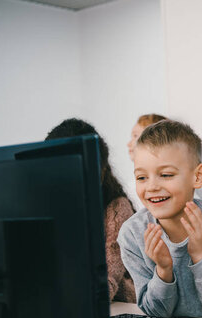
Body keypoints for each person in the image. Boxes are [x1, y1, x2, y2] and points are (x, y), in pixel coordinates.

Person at [117, 120, 202, 318]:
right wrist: (163, 270)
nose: (151, 187)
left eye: (166, 175)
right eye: (142, 178)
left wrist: (199, 254)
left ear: (198, 176)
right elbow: (155, 314)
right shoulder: (132, 234)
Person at [45, 118, 136, 303]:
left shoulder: (116, 209)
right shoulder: (46, 206)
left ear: (100, 171)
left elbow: (108, 280)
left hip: (118, 304)